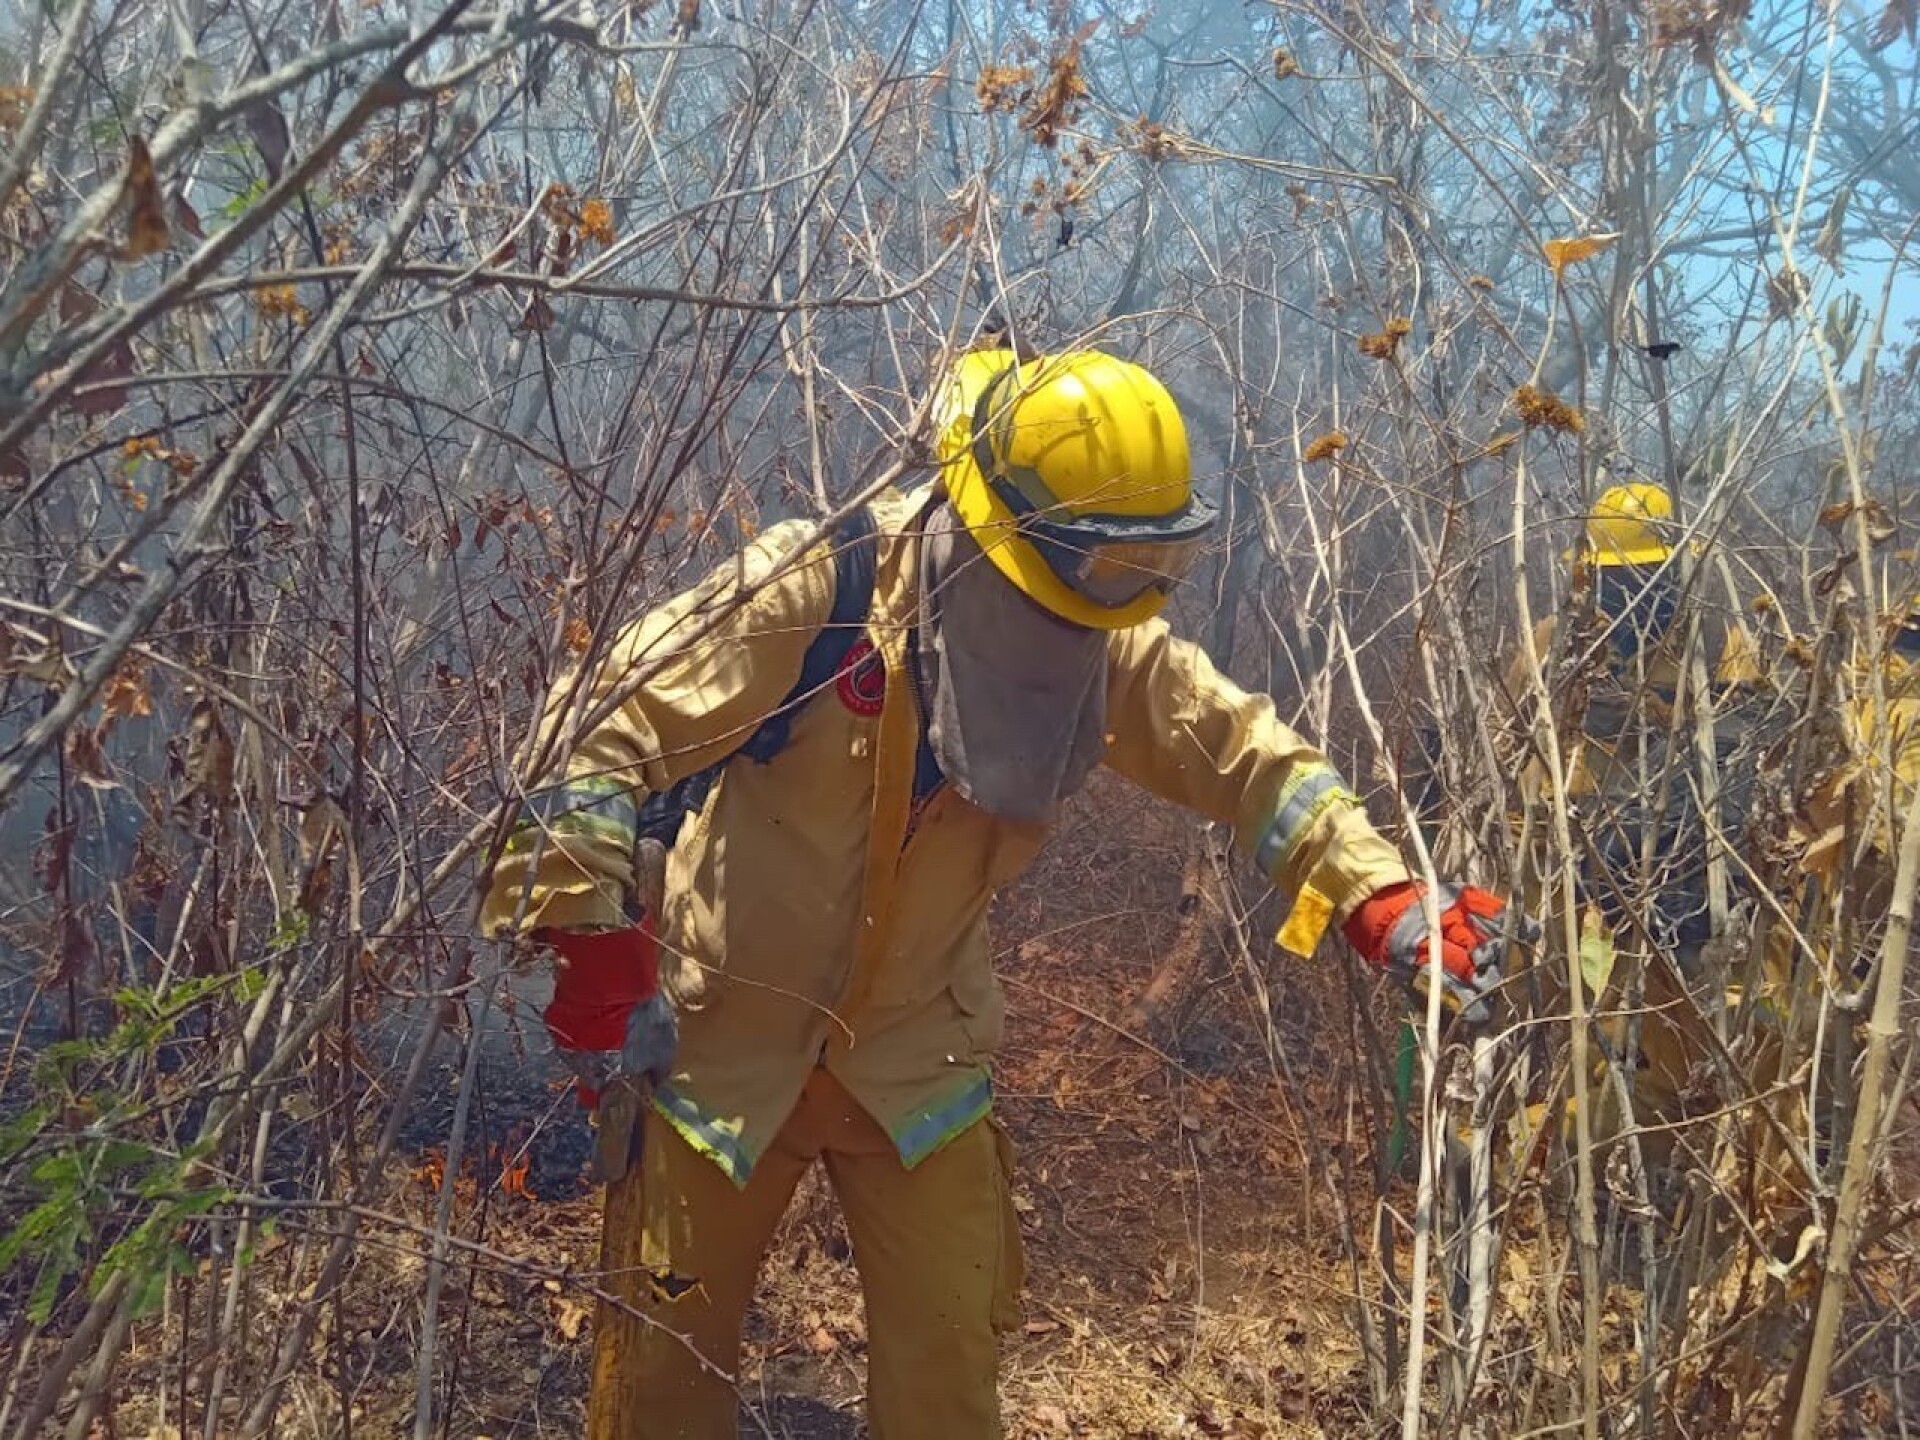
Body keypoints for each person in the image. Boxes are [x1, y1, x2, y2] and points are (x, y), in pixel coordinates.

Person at [482, 347, 1522, 1439]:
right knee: (661, 1385)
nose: (1112, 598)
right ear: (995, 523)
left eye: (1148, 562)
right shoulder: (821, 588)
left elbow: (1252, 757)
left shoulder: (1103, 647)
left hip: (918, 1071)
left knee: (948, 1393)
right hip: (721, 1054)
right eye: (1102, 561)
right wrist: (593, 949)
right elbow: (591, 729)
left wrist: (1380, 894)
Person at [1502, 480, 1771, 1179]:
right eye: (1619, 583)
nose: (1632, 600)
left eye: (1648, 579)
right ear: (1590, 577)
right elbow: (1517, 743)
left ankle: (1612, 1164)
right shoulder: (1556, 640)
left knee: (1665, 1045)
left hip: (1677, 881)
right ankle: (1560, 1159)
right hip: (1572, 870)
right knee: (1578, 1025)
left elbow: (1745, 753)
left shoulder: (1716, 640)